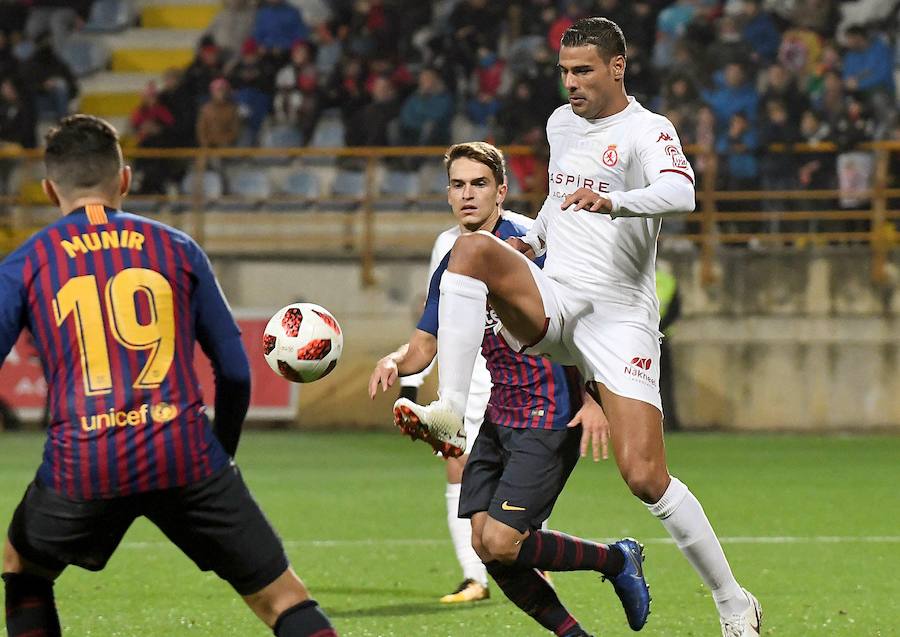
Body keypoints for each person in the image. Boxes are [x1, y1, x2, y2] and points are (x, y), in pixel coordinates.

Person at [395, 18, 762, 637]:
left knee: (644, 476)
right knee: (472, 251)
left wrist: (615, 200)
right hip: (558, 296)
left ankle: (733, 601)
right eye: (564, 71)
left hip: (618, 316)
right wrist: (538, 234)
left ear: (617, 66)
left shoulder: (649, 131)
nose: (571, 83)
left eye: (584, 70)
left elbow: (682, 194)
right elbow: (560, 192)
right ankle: (452, 407)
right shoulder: (561, 124)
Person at [0, 115, 337, 637]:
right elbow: (234, 372)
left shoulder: (26, 262)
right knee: (282, 599)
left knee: (23, 567)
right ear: (125, 179)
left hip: (84, 459)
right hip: (184, 453)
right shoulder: (177, 248)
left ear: (49, 190)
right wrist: (218, 457)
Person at [369, 142, 650, 636]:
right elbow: (425, 342)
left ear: (501, 191)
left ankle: (614, 559)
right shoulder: (456, 262)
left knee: (502, 541)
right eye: (458, 185)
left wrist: (593, 398)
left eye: (479, 184)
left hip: (549, 411)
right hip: (500, 416)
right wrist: (396, 361)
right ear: (448, 194)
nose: (468, 194)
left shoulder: (528, 242)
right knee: (484, 544)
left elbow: (585, 315)